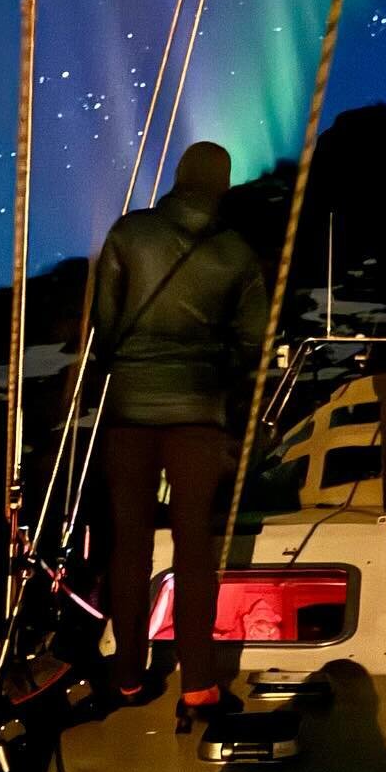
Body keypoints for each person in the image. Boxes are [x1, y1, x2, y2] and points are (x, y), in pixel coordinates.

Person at [93, 140, 266, 721]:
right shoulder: (236, 254)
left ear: (178, 176)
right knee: (195, 547)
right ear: (223, 184)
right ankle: (199, 683)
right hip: (198, 414)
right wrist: (214, 371)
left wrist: (132, 364)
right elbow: (252, 341)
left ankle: (126, 676)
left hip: (130, 412)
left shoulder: (128, 234)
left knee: (129, 543)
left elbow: (106, 323)